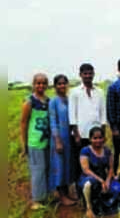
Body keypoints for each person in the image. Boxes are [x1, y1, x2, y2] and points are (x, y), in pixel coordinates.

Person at [69, 63, 107, 182]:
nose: (88, 76)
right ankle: (80, 189)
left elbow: (103, 113)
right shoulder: (74, 92)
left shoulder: (99, 91)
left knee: (95, 161)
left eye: (90, 73)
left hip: (96, 136)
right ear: (80, 75)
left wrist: (103, 133)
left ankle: (96, 186)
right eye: (85, 73)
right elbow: (72, 115)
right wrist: (76, 135)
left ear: (93, 74)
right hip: (81, 134)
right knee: (79, 162)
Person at [79, 127, 120, 218]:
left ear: (104, 138)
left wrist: (108, 181)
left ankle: (107, 209)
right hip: (90, 177)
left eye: (100, 138)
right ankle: (89, 208)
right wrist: (101, 181)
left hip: (105, 177)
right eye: (95, 138)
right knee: (89, 184)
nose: (98, 140)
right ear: (90, 139)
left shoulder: (107, 150)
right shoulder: (85, 151)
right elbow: (86, 170)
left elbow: (111, 169)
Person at [20, 73, 50, 210]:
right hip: (34, 142)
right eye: (38, 83)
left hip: (47, 141)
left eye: (43, 83)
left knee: (47, 168)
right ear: (33, 84)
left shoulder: (48, 101)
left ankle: (45, 195)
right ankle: (36, 200)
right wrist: (24, 144)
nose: (41, 86)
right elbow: (23, 124)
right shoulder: (29, 102)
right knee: (38, 170)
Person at [48, 74, 76, 205]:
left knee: (67, 165)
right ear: (55, 86)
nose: (62, 86)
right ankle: (61, 196)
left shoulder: (69, 99)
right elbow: (53, 122)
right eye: (59, 84)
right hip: (58, 139)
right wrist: (57, 140)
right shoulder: (53, 101)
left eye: (64, 83)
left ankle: (67, 192)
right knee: (59, 166)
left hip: (68, 138)